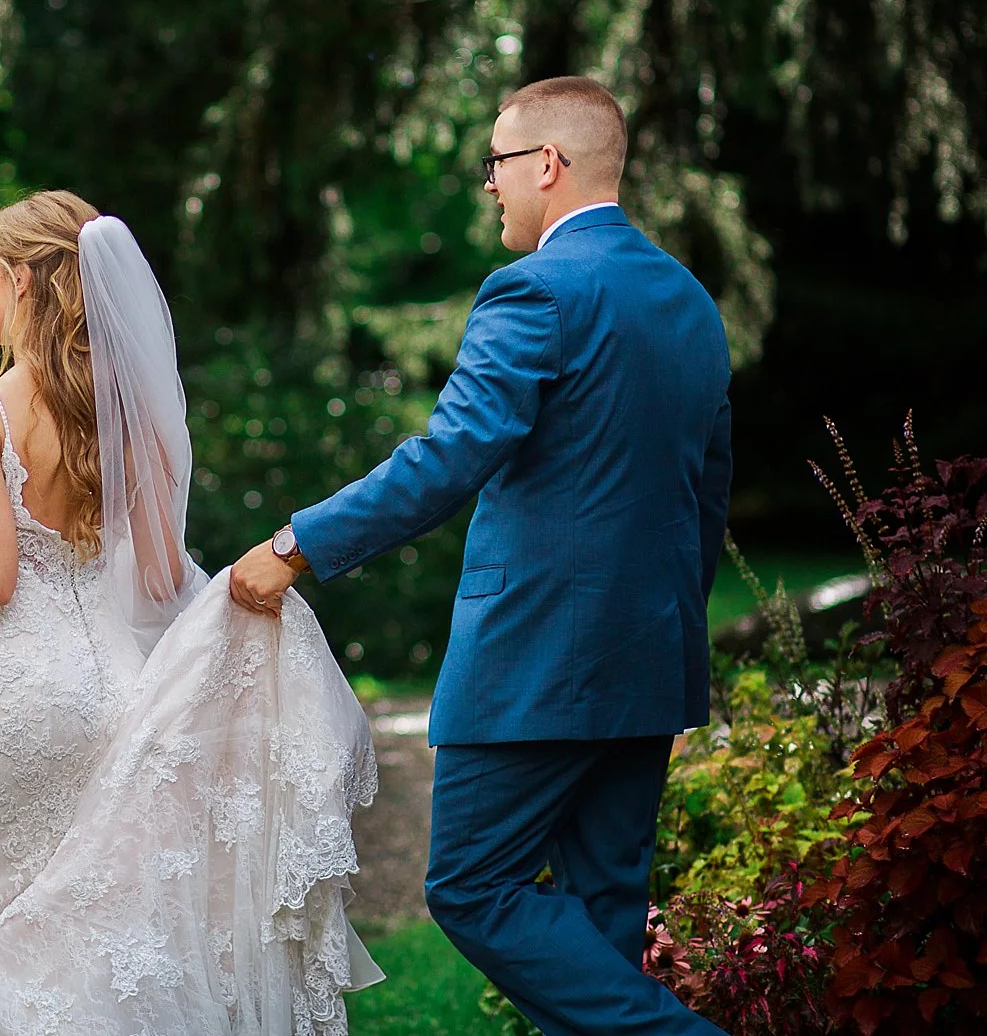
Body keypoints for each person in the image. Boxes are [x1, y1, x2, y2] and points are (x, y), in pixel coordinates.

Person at [231, 75, 733, 1036]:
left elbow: (449, 454)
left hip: (536, 661)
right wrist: (669, 625)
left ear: (547, 163)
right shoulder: (688, 299)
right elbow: (705, 495)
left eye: (496, 163)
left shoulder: (534, 288)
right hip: (648, 657)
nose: (489, 186)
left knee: (471, 884)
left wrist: (298, 543)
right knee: (600, 919)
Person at [0, 189, 382, 1035]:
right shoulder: (125, 408)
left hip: (20, 697)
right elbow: (163, 573)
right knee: (116, 927)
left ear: (20, 280)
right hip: (127, 692)